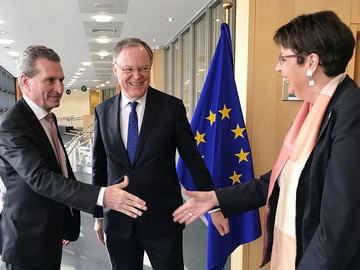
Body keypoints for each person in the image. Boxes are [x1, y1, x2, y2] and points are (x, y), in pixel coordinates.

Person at [173, 10, 360, 270]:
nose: (278, 67)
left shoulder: (351, 113)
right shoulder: (319, 108)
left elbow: (340, 224)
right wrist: (216, 199)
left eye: (283, 58)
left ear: (311, 62)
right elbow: (278, 181)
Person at [0, 45, 147, 270]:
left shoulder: (47, 117)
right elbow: (40, 178)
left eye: (61, 79)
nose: (60, 88)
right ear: (25, 81)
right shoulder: (11, 125)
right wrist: (102, 196)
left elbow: (60, 169)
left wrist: (65, 221)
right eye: (50, 80)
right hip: (27, 240)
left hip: (50, 230)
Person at [92, 38, 229, 270]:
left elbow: (193, 160)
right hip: (118, 222)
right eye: (128, 69)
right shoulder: (102, 111)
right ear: (116, 70)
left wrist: (213, 207)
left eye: (143, 68)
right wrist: (98, 215)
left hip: (164, 220)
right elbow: (100, 166)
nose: (137, 75)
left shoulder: (171, 108)